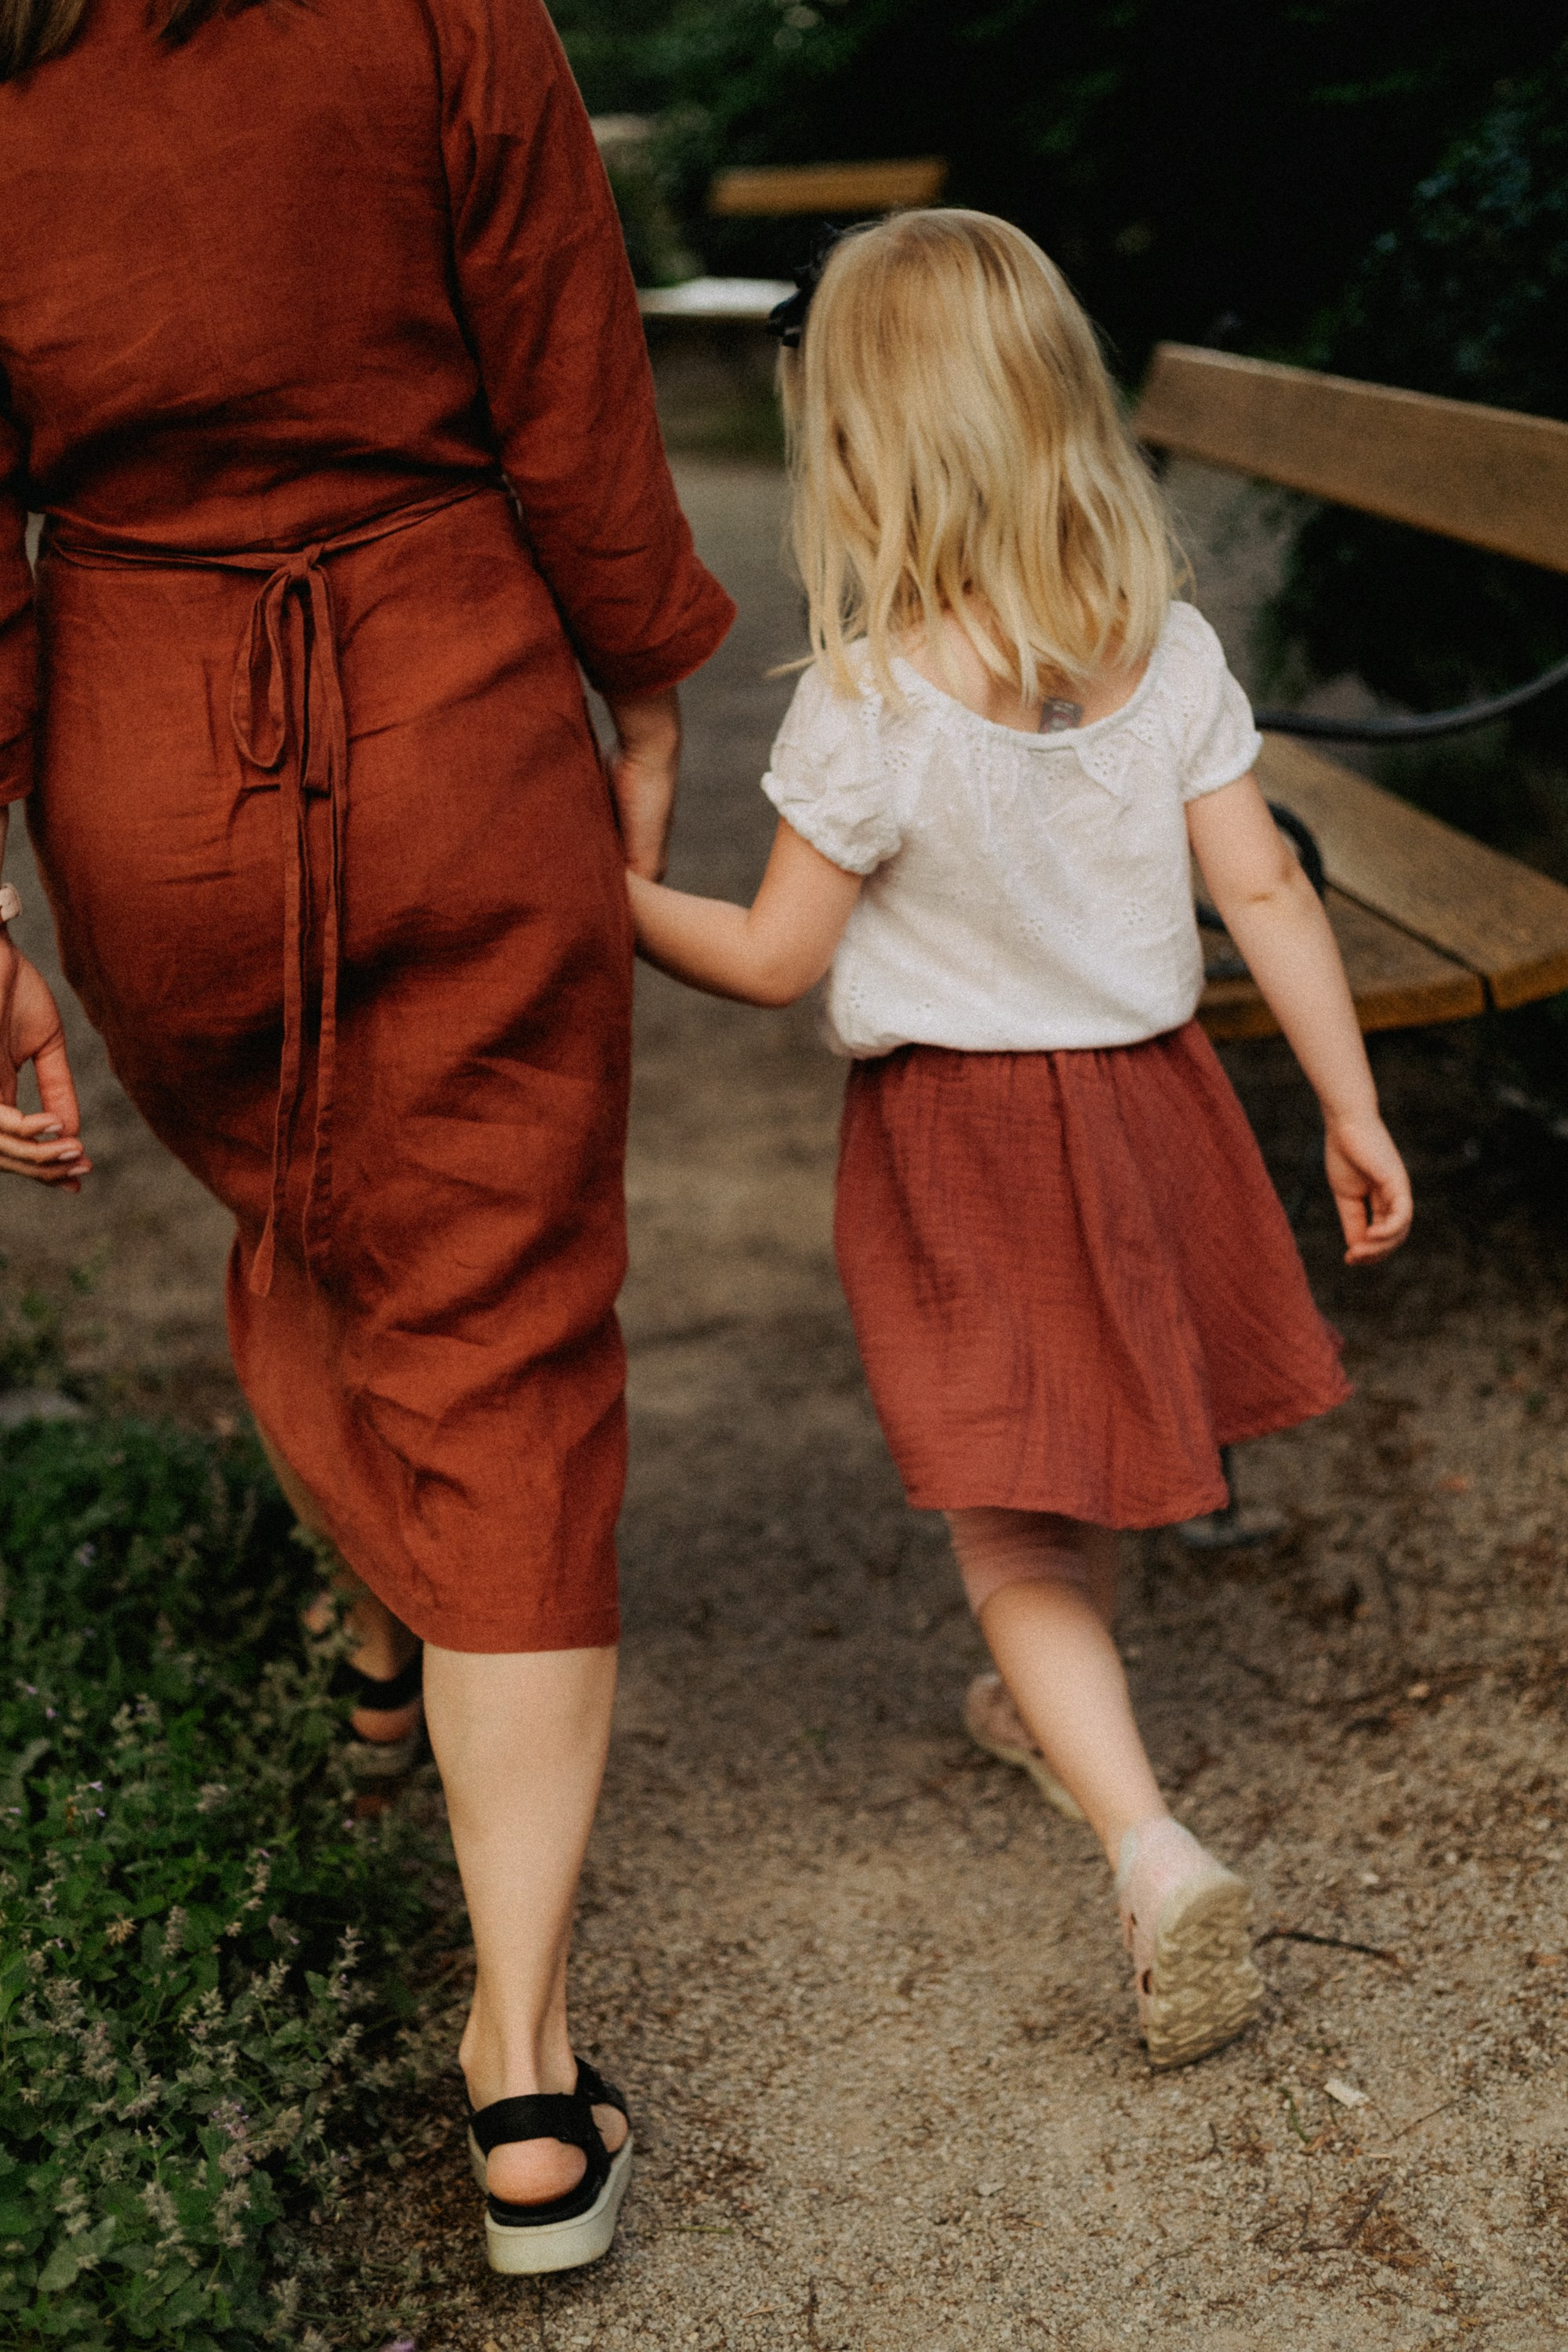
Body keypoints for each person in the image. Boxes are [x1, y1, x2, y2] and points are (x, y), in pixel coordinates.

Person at [0, 0, 733, 2274]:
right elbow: (575, 384)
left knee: (318, 1195)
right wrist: (640, 677)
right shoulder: (439, 9)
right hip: (454, 703)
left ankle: (378, 1631)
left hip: (145, 767)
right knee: (497, 1299)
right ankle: (526, 2072)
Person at [627, 209, 1412, 2068]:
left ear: (862, 446)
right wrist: (1349, 1103)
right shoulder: (1171, 651)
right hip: (1156, 1113)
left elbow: (765, 959)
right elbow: (1272, 893)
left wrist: (603, 890)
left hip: (964, 1140)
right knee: (1107, 1450)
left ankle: (1142, 1845)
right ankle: (1039, 1704)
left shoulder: (876, 701)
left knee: (1011, 1521)